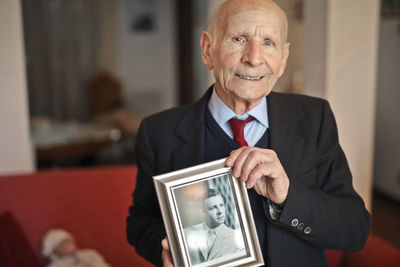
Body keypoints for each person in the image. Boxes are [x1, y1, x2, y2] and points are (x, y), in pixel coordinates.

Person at [126, 0, 371, 266]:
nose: (254, 58)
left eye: (268, 43)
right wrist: (165, 249)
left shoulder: (314, 119)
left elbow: (355, 228)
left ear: (283, 58)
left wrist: (288, 196)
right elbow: (141, 221)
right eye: (239, 38)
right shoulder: (158, 132)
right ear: (208, 50)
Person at [183, 188, 245, 265]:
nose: (220, 211)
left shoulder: (237, 238)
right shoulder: (186, 234)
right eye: (213, 208)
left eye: (221, 205)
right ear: (203, 211)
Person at [42, 229, 110, 267]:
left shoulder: (90, 255)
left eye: (68, 241)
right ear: (55, 251)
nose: (68, 245)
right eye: (63, 244)